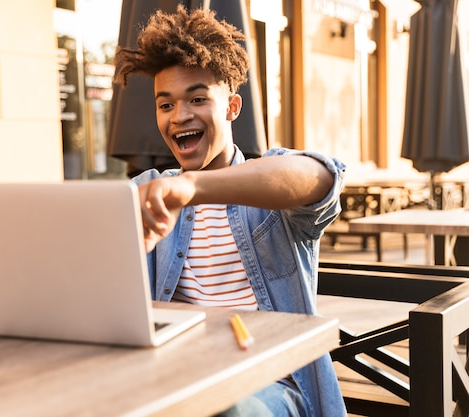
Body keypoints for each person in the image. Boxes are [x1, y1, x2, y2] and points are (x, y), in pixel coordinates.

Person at [113, 5, 347, 417]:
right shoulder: (146, 189)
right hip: (175, 377)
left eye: (198, 98)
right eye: (165, 105)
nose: (180, 115)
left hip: (271, 383)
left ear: (233, 107)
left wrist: (192, 187)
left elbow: (320, 176)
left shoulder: (269, 188)